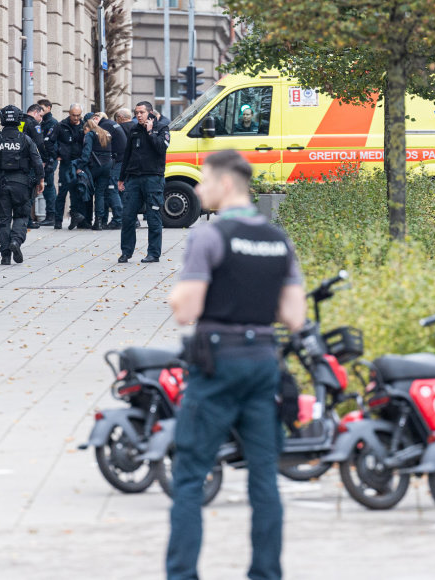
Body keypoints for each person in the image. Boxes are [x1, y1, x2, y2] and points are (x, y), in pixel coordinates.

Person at [166, 149, 306, 580]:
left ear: (225, 185)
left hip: (218, 362)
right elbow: (295, 317)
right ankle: (266, 574)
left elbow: (186, 309)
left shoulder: (209, 237)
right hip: (264, 362)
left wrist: (180, 294)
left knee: (190, 474)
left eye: (204, 182)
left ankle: (183, 574)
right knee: (263, 477)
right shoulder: (277, 239)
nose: (200, 190)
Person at [0, 105, 44, 265]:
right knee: (21, 216)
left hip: (0, 184)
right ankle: (16, 241)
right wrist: (40, 180)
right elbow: (37, 161)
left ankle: (5, 255)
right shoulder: (26, 140)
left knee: (3, 220)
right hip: (21, 184)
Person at [118, 101, 169, 263]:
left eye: (141, 112)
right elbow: (127, 155)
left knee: (153, 216)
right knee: (127, 216)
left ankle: (153, 253)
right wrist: (121, 178)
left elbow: (161, 148)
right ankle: (126, 252)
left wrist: (150, 133)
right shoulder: (133, 129)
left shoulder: (161, 128)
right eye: (136, 112)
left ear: (150, 113)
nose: (138, 115)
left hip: (153, 178)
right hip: (133, 178)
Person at [56, 104, 91, 230]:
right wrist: (57, 154)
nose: (76, 118)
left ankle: (79, 219)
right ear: (69, 113)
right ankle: (58, 221)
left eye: (78, 115)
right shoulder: (61, 125)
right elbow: (50, 141)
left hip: (79, 163)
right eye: (73, 115)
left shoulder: (84, 126)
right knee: (62, 192)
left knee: (78, 191)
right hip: (66, 163)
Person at [78, 115, 114, 230]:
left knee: (88, 191)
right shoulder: (106, 133)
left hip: (95, 166)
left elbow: (86, 152)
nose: (84, 133)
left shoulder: (90, 134)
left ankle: (87, 219)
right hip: (107, 166)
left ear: (87, 128)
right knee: (100, 194)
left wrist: (80, 166)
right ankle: (99, 221)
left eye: (84, 131)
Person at [98, 111, 126, 229]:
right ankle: (117, 219)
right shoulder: (111, 124)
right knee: (114, 190)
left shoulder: (104, 126)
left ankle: (118, 219)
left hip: (117, 161)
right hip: (121, 160)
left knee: (112, 189)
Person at [22, 104, 46, 229]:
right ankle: (27, 220)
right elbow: (39, 144)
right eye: (40, 115)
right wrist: (44, 159)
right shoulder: (34, 124)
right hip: (30, 163)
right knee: (30, 192)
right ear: (35, 112)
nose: (41, 119)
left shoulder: (18, 121)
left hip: (15, 162)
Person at [37, 99, 59, 226]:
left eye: (42, 108)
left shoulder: (52, 123)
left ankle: (51, 215)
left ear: (49, 108)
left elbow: (50, 143)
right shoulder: (42, 122)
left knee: (48, 186)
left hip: (49, 159)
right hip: (43, 159)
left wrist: (50, 159)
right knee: (45, 187)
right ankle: (50, 214)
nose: (40, 111)